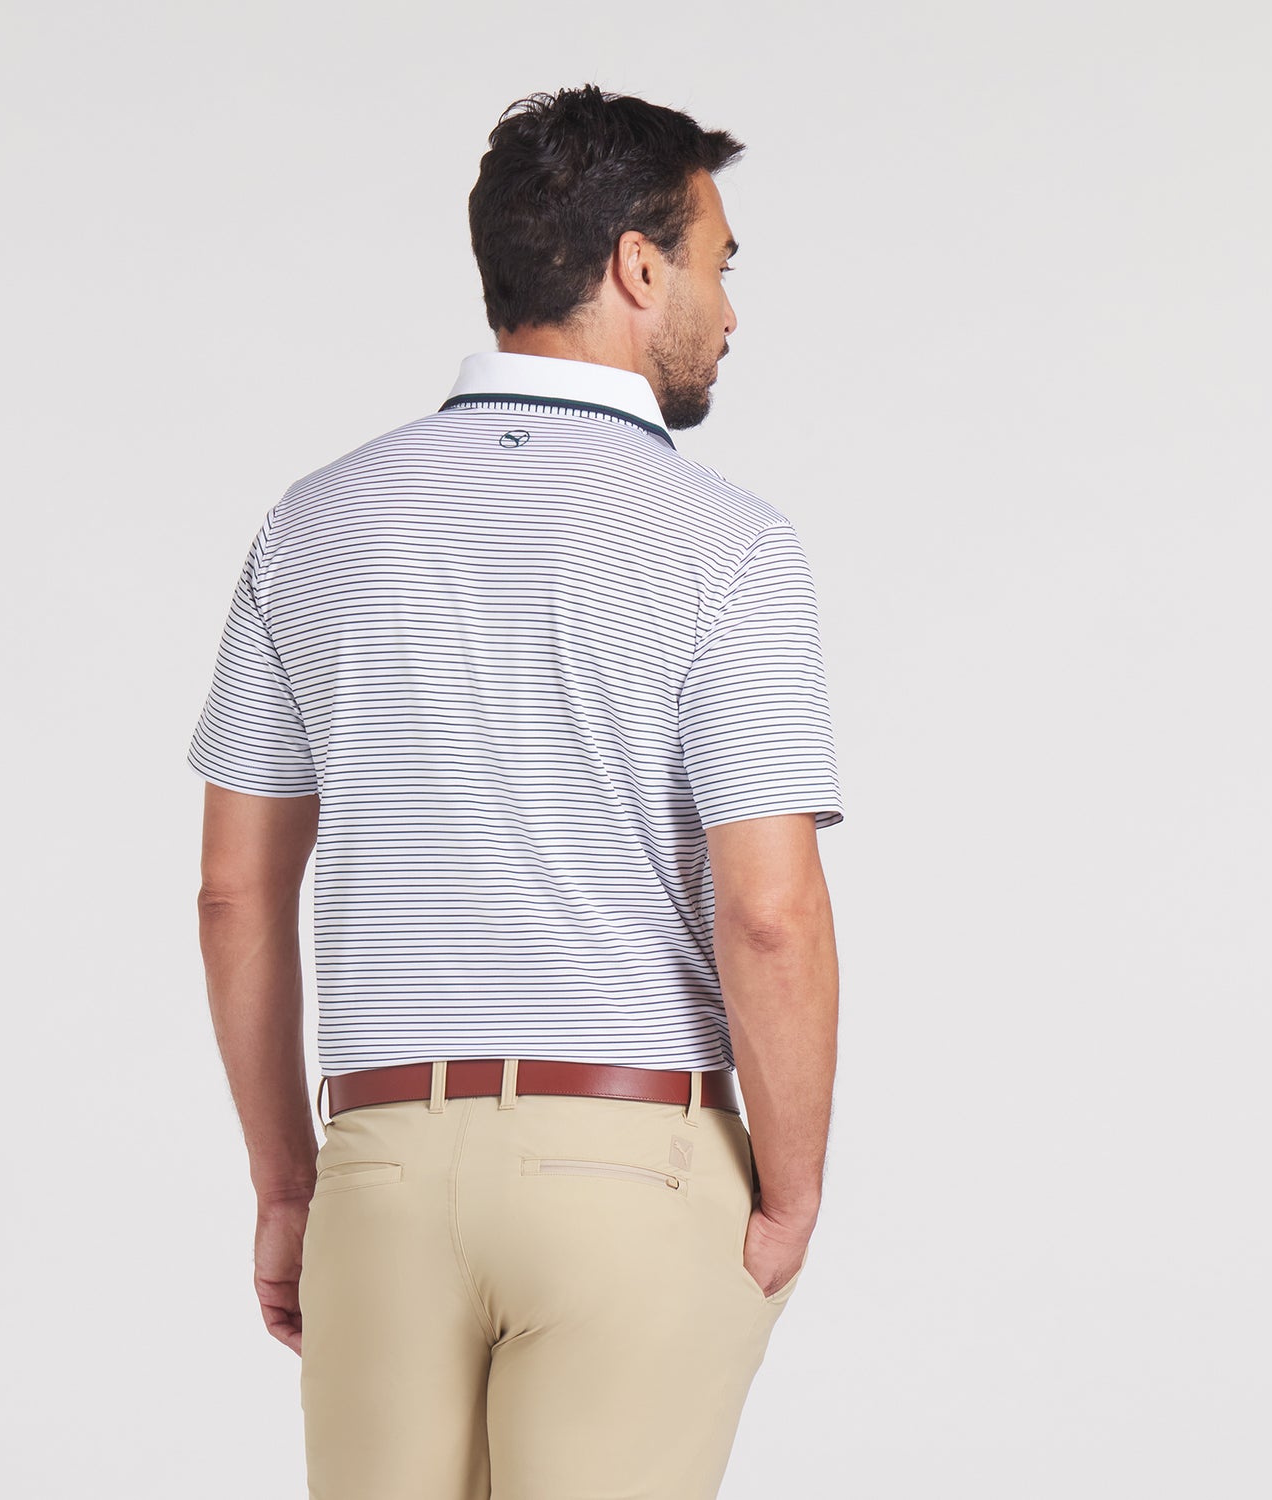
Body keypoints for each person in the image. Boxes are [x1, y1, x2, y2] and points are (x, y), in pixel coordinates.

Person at [188, 82, 844, 1500]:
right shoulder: (726, 543)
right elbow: (771, 912)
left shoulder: (316, 521)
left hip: (380, 1169)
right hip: (632, 1159)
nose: (731, 311)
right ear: (637, 266)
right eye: (719, 264)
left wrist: (290, 1187)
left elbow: (234, 891)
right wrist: (791, 1192)